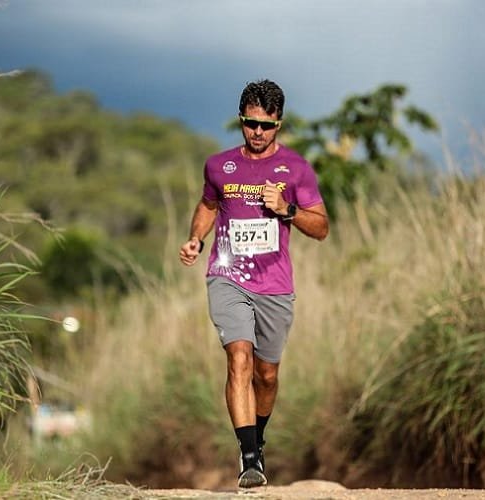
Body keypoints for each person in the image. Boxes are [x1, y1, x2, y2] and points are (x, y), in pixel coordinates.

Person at [179, 79, 329, 488]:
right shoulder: (219, 165)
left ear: (279, 123)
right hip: (226, 276)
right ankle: (249, 458)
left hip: (275, 284)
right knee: (238, 358)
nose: (257, 133)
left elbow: (321, 228)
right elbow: (208, 205)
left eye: (265, 126)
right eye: (249, 124)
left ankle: (257, 439)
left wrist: (287, 209)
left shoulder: (296, 169)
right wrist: (197, 238)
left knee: (266, 375)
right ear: (240, 120)